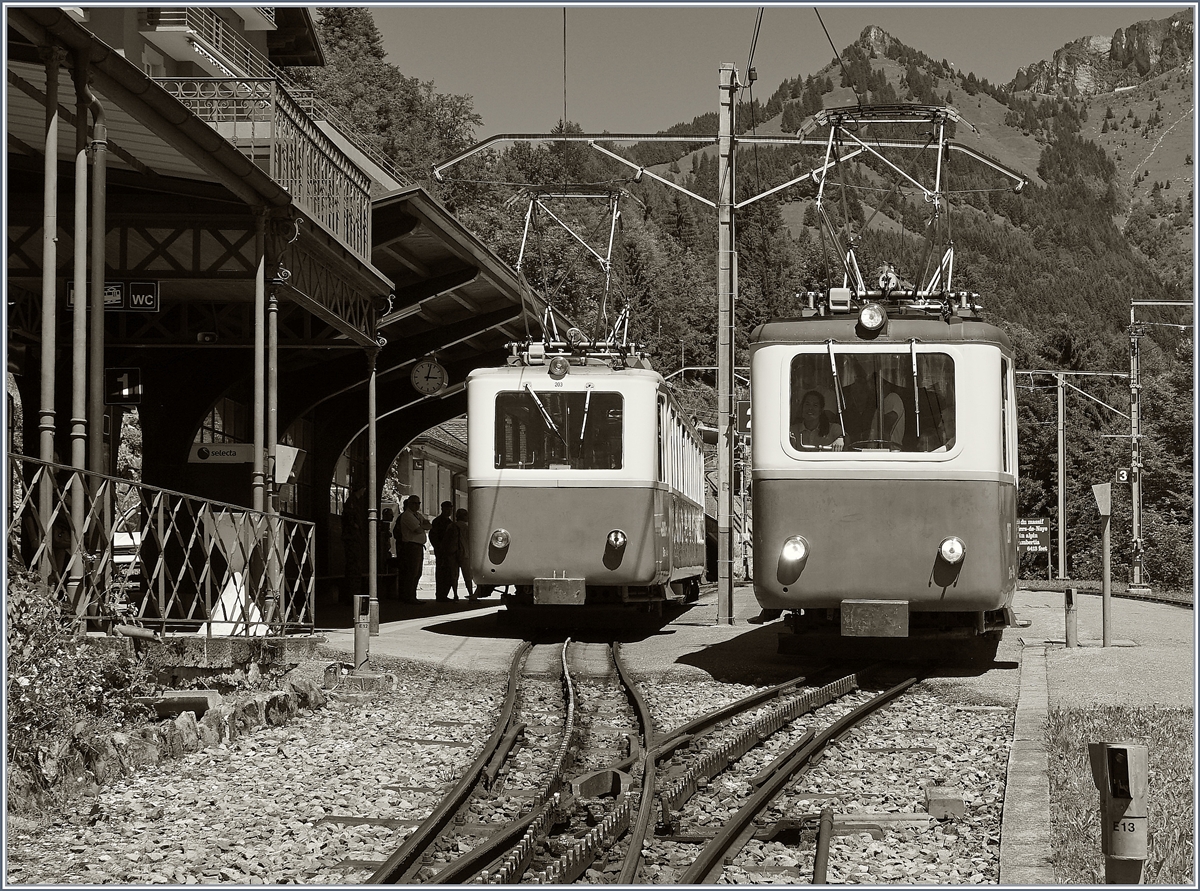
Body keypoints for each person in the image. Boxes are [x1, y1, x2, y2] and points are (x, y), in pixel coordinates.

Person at [397, 495, 431, 602]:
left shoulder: (417, 515)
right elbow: (418, 529)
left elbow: (428, 525)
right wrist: (422, 525)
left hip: (418, 546)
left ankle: (412, 595)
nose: (417, 505)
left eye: (418, 503)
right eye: (414, 503)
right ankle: (408, 596)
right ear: (409, 504)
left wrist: (422, 525)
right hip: (411, 546)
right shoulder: (407, 516)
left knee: (417, 572)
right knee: (411, 572)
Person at [429, 501, 458, 601]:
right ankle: (440, 595)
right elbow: (433, 536)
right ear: (442, 509)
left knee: (448, 573)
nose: (448, 511)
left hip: (449, 551)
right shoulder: (437, 522)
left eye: (450, 509)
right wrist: (438, 547)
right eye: (446, 509)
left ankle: (444, 594)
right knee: (441, 573)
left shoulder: (450, 522)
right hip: (441, 551)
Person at [455, 508, 477, 600]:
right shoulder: (467, 527)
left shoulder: (452, 526)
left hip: (454, 552)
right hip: (465, 552)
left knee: (454, 575)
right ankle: (471, 593)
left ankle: (455, 594)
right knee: (467, 575)